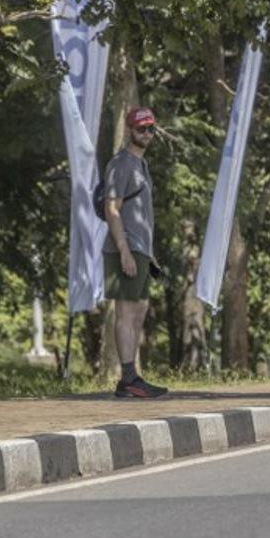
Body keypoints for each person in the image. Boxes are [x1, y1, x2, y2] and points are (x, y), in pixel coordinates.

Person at [103, 107, 168, 399]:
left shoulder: (141, 166)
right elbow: (112, 209)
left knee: (139, 309)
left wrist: (149, 255)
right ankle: (128, 377)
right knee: (126, 312)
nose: (147, 134)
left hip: (141, 249)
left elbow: (142, 215)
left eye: (151, 129)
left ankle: (130, 378)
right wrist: (124, 251)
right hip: (124, 247)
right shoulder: (121, 165)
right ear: (129, 130)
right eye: (142, 129)